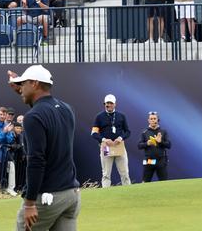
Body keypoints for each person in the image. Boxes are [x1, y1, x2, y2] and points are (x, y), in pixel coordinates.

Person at [7, 64, 80, 230]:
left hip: (47, 196)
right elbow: (42, 110)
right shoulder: (67, 109)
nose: (20, 89)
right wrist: (22, 90)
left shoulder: (33, 117)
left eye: (23, 84)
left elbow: (36, 161)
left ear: (34, 84)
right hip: (71, 194)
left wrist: (30, 203)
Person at [90, 93, 130, 187]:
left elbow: (128, 132)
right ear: (104, 104)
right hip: (106, 147)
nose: (108, 105)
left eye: (111, 103)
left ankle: (129, 193)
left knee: (124, 173)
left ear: (115, 104)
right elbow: (94, 133)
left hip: (119, 146)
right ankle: (106, 196)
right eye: (107, 103)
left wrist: (120, 138)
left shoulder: (121, 116)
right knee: (106, 174)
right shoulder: (99, 116)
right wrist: (104, 139)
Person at [139, 111, 170, 182]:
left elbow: (169, 145)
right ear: (148, 120)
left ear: (158, 120)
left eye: (154, 119)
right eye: (151, 119)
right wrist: (147, 143)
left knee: (164, 182)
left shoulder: (163, 132)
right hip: (149, 160)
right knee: (145, 182)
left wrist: (160, 141)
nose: (153, 120)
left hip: (161, 160)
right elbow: (139, 146)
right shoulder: (145, 132)